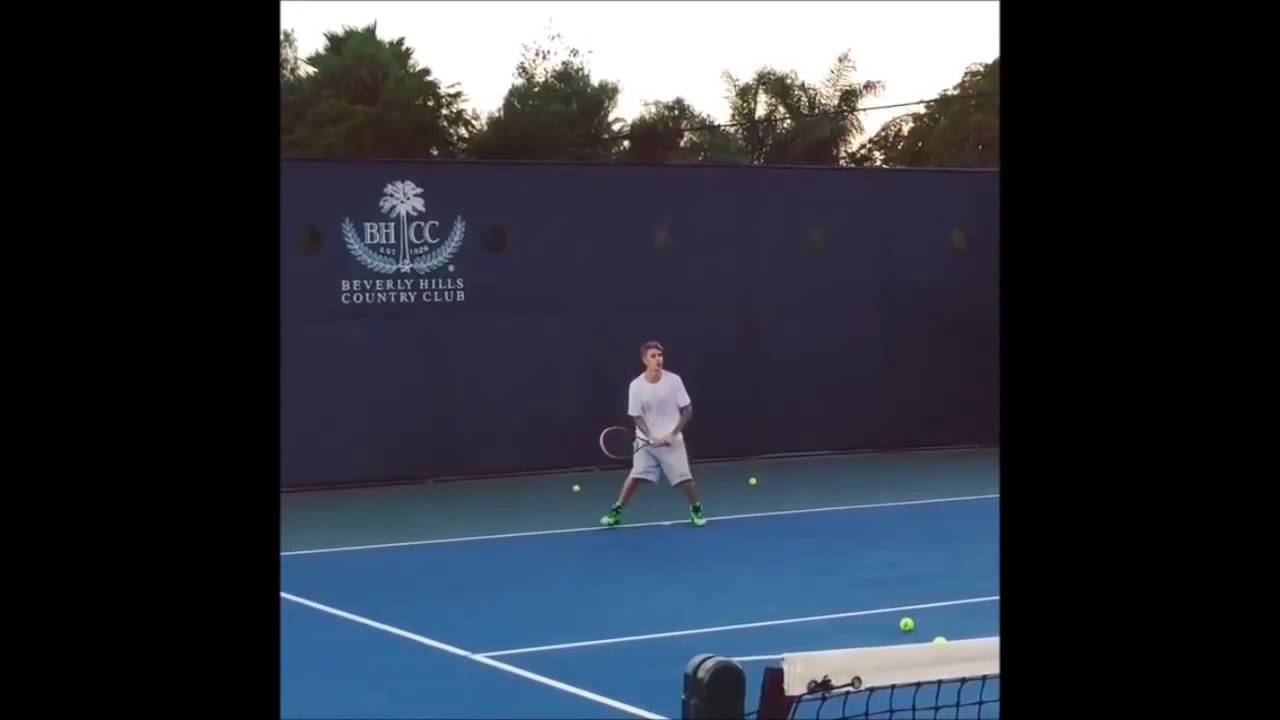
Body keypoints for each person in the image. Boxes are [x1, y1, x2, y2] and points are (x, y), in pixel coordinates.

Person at [601, 341, 706, 527]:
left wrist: (672, 434)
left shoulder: (674, 381)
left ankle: (696, 509)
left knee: (685, 480)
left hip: (672, 440)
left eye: (660, 355)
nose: (658, 359)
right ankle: (616, 511)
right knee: (635, 477)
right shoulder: (636, 386)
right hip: (645, 441)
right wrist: (649, 436)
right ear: (644, 360)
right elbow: (636, 415)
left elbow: (687, 410)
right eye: (653, 356)